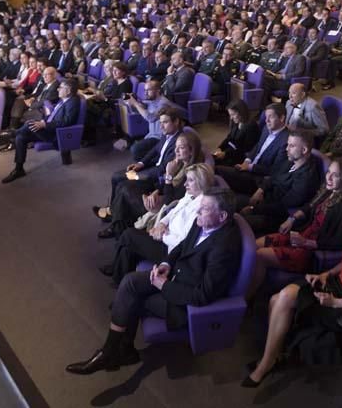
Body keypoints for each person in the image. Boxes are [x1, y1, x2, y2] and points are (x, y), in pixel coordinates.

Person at [66, 188, 242, 375]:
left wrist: (164, 285)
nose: (197, 212)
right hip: (176, 275)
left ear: (222, 216)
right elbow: (182, 247)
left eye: (204, 209)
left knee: (131, 300)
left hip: (184, 304)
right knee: (130, 282)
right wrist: (166, 263)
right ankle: (120, 351)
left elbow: (202, 295)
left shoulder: (225, 248)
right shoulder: (203, 221)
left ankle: (111, 353)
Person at [242, 186, 342, 387]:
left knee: (282, 298)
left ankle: (267, 362)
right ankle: (274, 355)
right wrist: (325, 274)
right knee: (277, 298)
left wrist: (336, 303)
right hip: (336, 285)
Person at [253, 157, 342, 286]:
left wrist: (307, 243)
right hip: (301, 234)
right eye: (328, 172)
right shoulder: (328, 191)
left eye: (335, 175)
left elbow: (340, 242)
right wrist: (291, 219)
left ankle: (248, 298)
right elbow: (309, 206)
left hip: (310, 251)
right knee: (254, 245)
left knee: (260, 255)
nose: (329, 178)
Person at [103, 161, 213, 285]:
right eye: (186, 180)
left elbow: (183, 243)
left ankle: (116, 272)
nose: (185, 184)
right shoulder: (190, 194)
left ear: (201, 182)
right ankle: (118, 279)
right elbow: (173, 211)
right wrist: (161, 224)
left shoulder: (202, 208)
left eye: (190, 181)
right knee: (127, 249)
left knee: (129, 234)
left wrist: (162, 235)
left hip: (171, 251)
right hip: (164, 234)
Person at [95, 107, 183, 237]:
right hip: (151, 170)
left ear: (176, 122)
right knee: (117, 178)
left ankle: (115, 221)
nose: (161, 126)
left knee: (120, 181)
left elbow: (162, 169)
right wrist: (140, 164)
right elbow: (154, 150)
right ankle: (114, 212)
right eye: (160, 122)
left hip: (155, 179)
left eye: (165, 122)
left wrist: (138, 176)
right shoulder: (167, 134)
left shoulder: (179, 142)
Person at [240, 131, 322, 236]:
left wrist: (254, 209)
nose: (287, 149)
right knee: (232, 204)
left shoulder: (307, 178)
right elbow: (274, 175)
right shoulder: (292, 159)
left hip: (276, 215)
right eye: (288, 144)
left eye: (291, 146)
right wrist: (261, 189)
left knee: (237, 223)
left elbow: (284, 205)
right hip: (266, 200)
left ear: (304, 150)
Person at [1, 79, 81, 183]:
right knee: (21, 138)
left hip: (56, 135)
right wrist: (44, 120)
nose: (57, 89)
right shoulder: (64, 99)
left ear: (68, 90)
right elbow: (55, 115)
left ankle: (13, 133)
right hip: (49, 128)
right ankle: (19, 169)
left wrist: (44, 124)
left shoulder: (73, 102)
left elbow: (67, 121)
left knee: (29, 124)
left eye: (60, 87)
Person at [215, 103, 289, 195]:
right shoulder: (266, 128)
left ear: (281, 118)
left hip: (257, 178)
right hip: (248, 166)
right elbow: (257, 146)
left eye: (270, 117)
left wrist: (250, 167)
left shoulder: (286, 141)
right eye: (266, 117)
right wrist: (247, 160)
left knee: (217, 172)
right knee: (215, 170)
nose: (266, 120)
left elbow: (274, 170)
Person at [212, 99, 260, 167]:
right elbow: (229, 138)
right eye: (230, 115)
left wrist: (225, 153)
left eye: (233, 114)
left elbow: (245, 149)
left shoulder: (251, 126)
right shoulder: (237, 122)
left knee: (217, 166)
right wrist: (220, 148)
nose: (231, 118)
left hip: (242, 157)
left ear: (241, 112)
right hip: (232, 152)